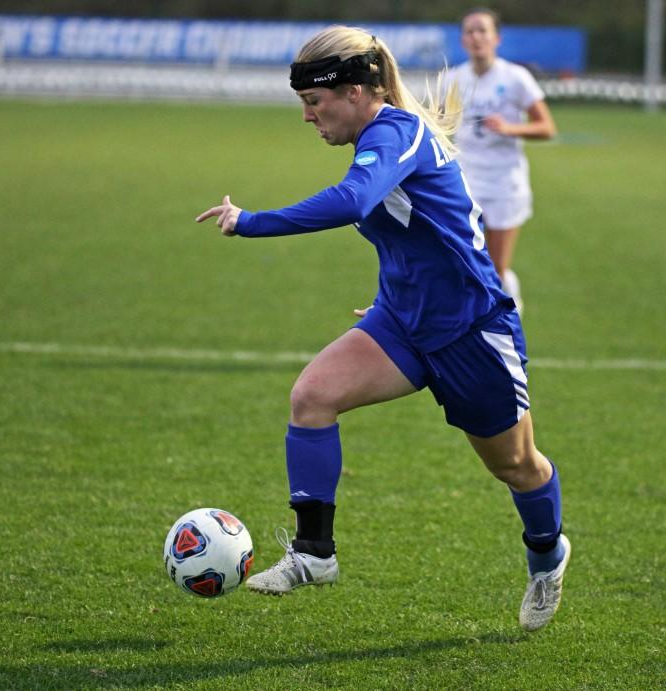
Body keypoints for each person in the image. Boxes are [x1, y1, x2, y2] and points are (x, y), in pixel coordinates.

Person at [195, 25, 569, 632]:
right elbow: (410, 238)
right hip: (402, 321)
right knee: (312, 397)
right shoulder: (377, 136)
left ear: (354, 92)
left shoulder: (396, 131)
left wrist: (251, 222)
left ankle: (548, 555)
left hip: (471, 331)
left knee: (517, 466)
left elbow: (352, 201)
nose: (308, 117)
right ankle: (315, 554)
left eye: (314, 104)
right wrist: (389, 301)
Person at [445, 8, 557, 313]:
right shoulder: (453, 79)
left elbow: (547, 127)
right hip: (465, 182)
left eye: (483, 30)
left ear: (496, 38)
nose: (476, 37)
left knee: (494, 268)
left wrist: (510, 128)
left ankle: (505, 312)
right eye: (470, 31)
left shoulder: (515, 77)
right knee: (465, 262)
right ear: (462, 39)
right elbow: (439, 126)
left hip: (505, 182)